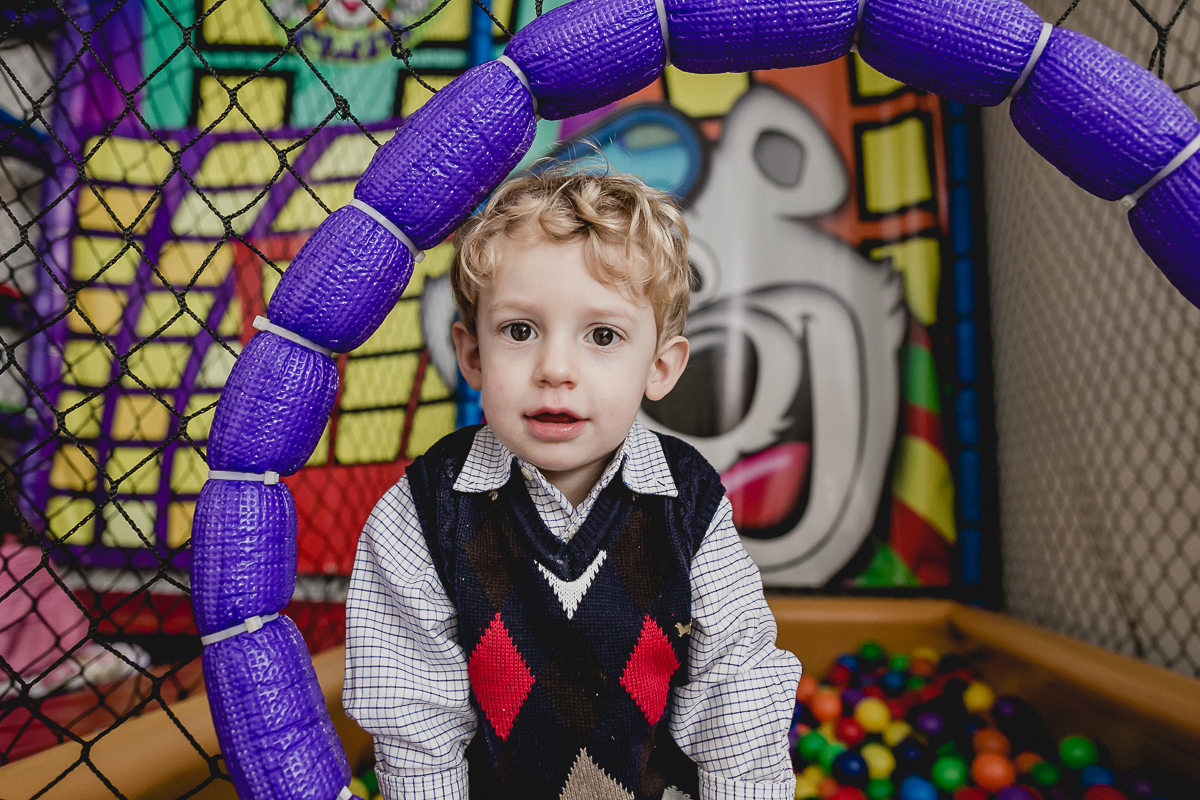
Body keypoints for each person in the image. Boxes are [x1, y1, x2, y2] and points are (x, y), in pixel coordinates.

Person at [343, 167, 802, 800]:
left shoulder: (686, 503)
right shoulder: (424, 513)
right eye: (520, 331)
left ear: (660, 367)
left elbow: (737, 691)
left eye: (603, 336)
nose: (555, 369)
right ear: (472, 354)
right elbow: (413, 717)